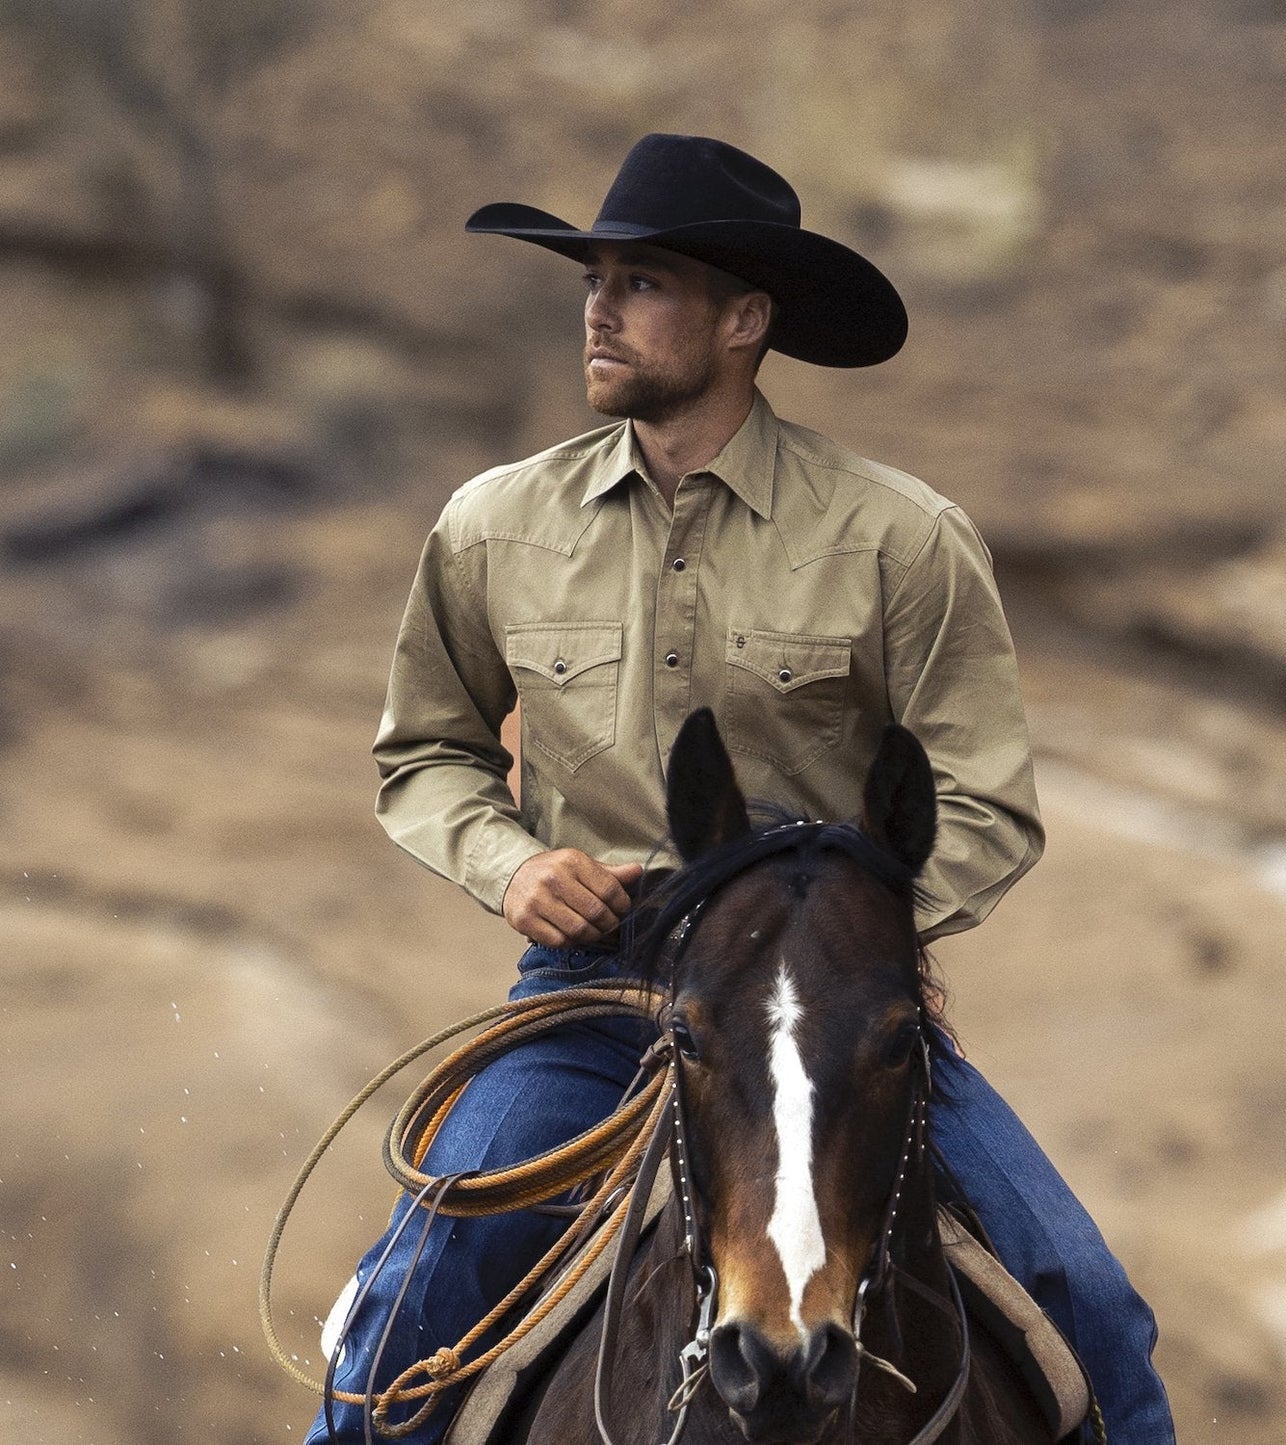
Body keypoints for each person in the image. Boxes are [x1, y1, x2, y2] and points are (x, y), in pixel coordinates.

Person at [307, 133, 1175, 1444]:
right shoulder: (490, 526)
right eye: (591, 278)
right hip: (594, 997)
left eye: (641, 280)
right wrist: (514, 865)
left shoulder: (899, 537)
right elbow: (425, 755)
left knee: (1093, 1301)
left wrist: (840, 944)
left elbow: (987, 802)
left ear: (743, 319)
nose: (598, 307)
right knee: (412, 1297)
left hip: (832, 1019)